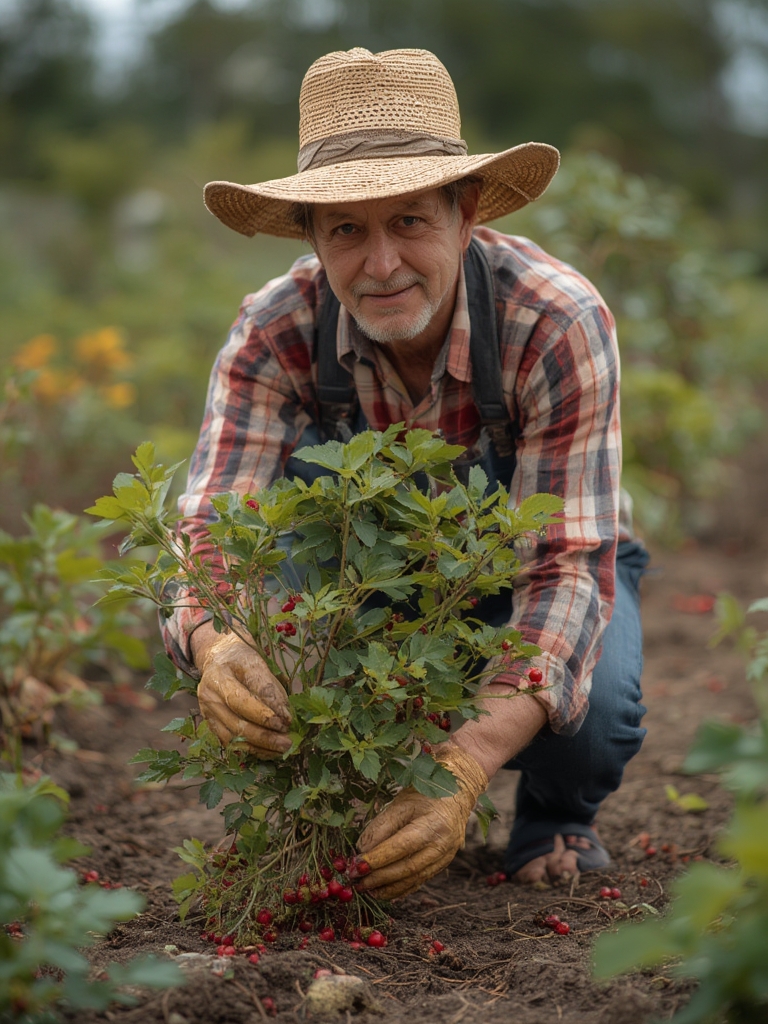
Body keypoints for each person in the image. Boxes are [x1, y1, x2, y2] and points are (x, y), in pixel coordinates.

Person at [163, 47, 649, 899]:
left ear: (466, 216)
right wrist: (220, 644)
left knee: (596, 708)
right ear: (311, 238)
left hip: (526, 576)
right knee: (255, 636)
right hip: (355, 583)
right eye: (346, 229)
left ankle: (553, 815)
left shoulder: (552, 319)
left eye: (411, 221)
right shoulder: (275, 329)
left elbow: (566, 570)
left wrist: (462, 765)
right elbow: (211, 525)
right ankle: (334, 819)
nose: (382, 263)